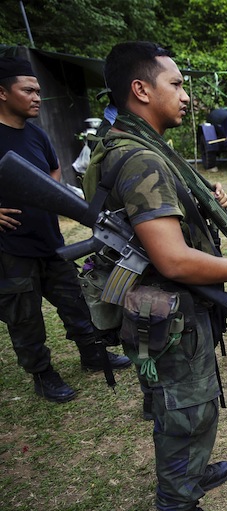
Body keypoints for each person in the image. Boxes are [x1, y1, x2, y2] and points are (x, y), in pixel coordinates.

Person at [91, 41, 227, 511]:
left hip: (145, 306)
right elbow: (171, 258)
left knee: (166, 397)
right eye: (177, 84)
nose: (186, 96)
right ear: (140, 90)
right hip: (167, 308)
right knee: (186, 407)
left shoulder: (120, 143)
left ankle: (189, 471)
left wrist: (195, 197)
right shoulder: (142, 158)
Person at [0, 56, 131, 404]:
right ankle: (43, 375)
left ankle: (92, 355)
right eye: (27, 90)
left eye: (39, 90)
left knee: (75, 304)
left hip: (50, 242)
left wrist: (43, 196)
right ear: (2, 92)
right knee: (24, 318)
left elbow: (54, 172)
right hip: (11, 249)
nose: (37, 97)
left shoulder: (36, 134)